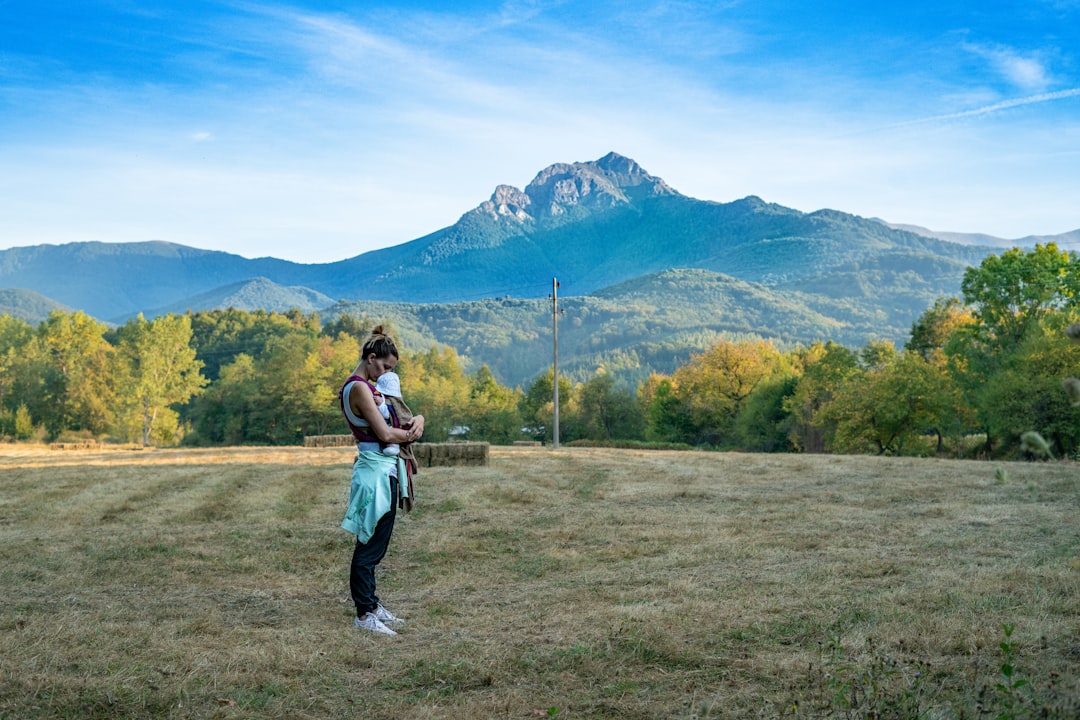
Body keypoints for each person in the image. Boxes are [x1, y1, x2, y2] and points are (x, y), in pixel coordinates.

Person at [338, 326, 424, 636]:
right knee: (369, 545)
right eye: (385, 367)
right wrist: (411, 434)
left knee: (376, 541)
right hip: (375, 471)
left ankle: (371, 605)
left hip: (381, 469)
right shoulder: (359, 388)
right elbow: (386, 433)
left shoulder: (365, 387)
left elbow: (394, 416)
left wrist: (418, 419)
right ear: (371, 358)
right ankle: (364, 614)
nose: (385, 374)